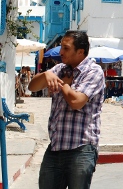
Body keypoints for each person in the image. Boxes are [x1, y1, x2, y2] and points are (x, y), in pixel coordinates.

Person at [28, 30, 105, 189]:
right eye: (61, 47)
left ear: (80, 52)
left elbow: (76, 101)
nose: (61, 52)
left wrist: (63, 84)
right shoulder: (60, 69)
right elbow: (32, 87)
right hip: (55, 147)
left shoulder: (93, 71)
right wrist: (45, 75)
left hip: (81, 149)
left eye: (66, 48)